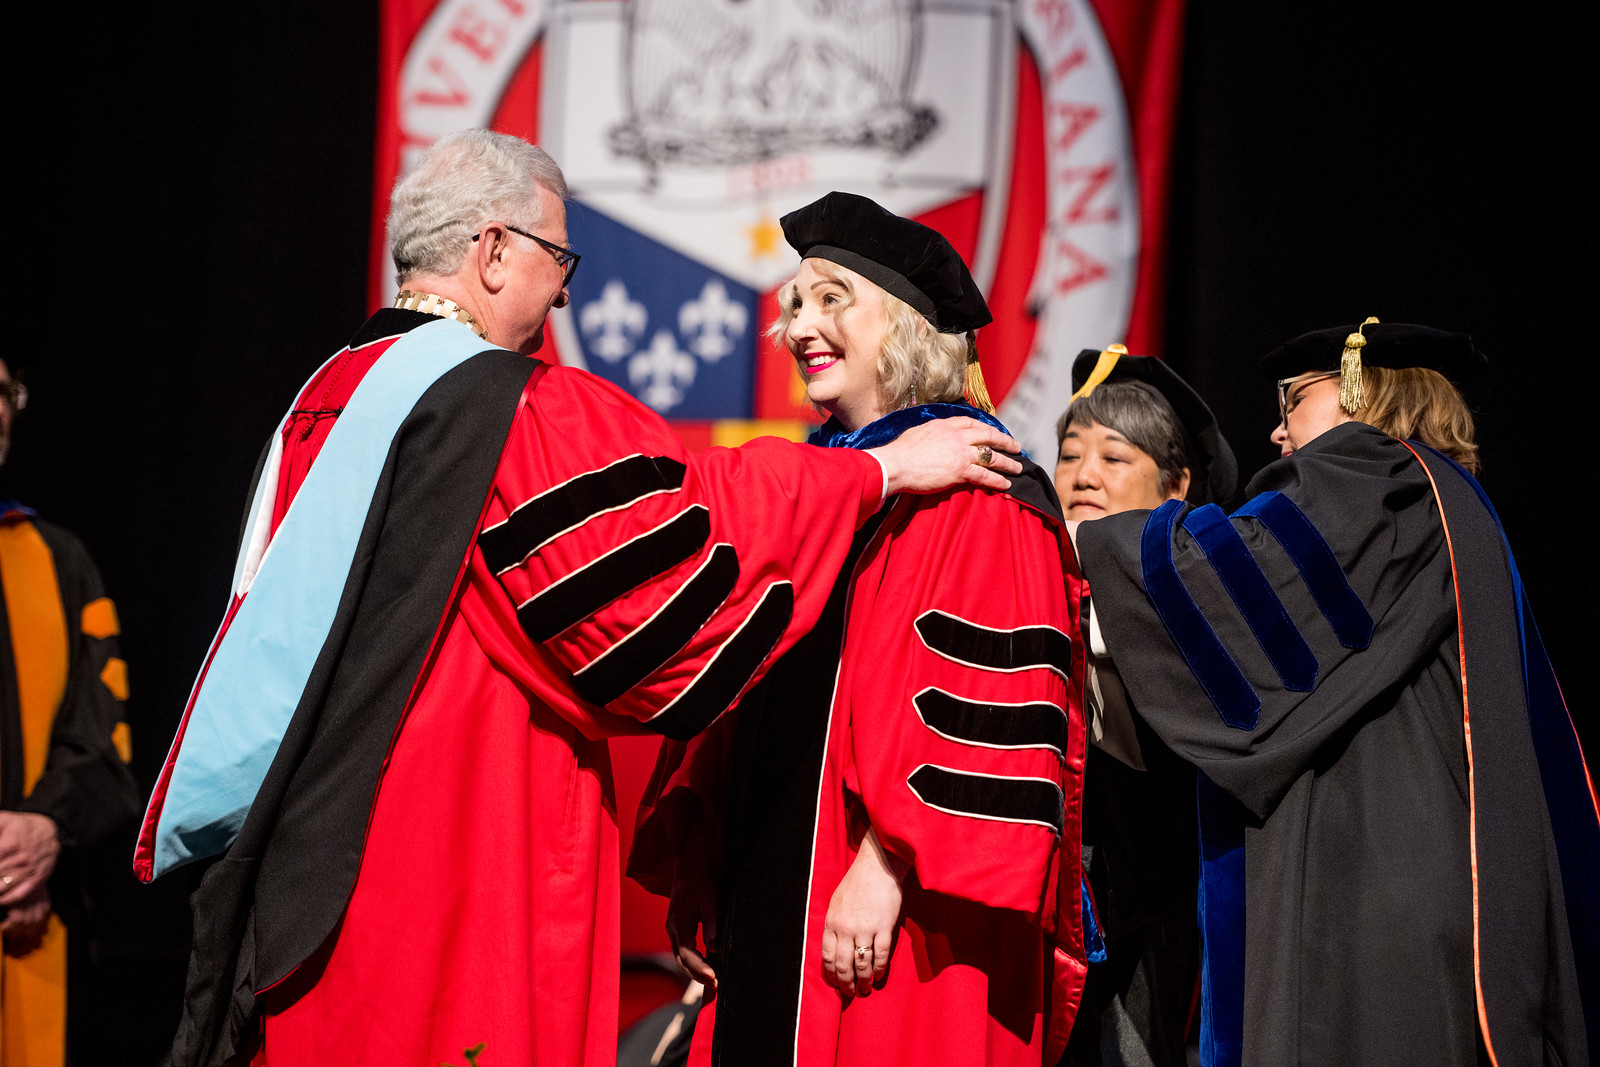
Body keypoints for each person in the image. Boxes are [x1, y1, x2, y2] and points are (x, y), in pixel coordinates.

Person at [133, 133, 1024, 1067]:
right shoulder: (503, 408)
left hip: (312, 870)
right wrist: (875, 473)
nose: (564, 294)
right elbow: (692, 543)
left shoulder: (327, 396)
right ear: (491, 252)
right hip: (458, 859)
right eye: (558, 260)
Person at [630, 192, 1088, 1067]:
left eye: (834, 298)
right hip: (772, 883)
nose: (803, 324)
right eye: (797, 303)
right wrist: (705, 858)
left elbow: (991, 723)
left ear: (911, 326)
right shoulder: (829, 486)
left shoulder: (984, 496)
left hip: (895, 911)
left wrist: (885, 867)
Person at [1074, 318, 1597, 1065]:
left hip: (1368, 904)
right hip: (1431, 893)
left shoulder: (1373, 472)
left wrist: (1076, 551)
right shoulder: (1447, 500)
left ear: (1362, 393)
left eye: (1296, 401)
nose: (1278, 430)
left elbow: (1241, 587)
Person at [1053, 346, 1237, 1067]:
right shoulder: (1024, 570)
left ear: (1177, 484)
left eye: (1113, 456)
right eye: (1070, 454)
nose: (1083, 475)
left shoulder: (1204, 592)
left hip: (1146, 907)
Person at [0, 359, 141, 1066]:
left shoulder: (59, 562)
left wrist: (42, 829)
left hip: (31, 928)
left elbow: (104, 739)